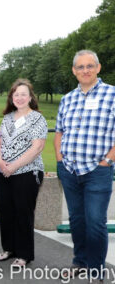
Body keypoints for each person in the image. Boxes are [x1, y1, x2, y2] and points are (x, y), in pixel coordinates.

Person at [55, 50, 115, 282]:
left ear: (98, 68)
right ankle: (79, 261)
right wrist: (60, 159)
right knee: (77, 221)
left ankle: (96, 269)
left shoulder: (111, 94)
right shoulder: (68, 98)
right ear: (74, 71)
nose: (85, 70)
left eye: (90, 66)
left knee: (95, 222)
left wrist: (107, 161)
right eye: (80, 67)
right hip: (69, 170)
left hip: (97, 171)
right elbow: (59, 131)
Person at [0, 78, 47, 267]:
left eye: (23, 94)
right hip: (5, 172)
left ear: (31, 97)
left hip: (26, 172)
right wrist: (0, 161)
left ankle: (24, 255)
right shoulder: (8, 117)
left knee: (23, 213)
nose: (19, 97)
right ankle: (9, 248)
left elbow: (37, 148)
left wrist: (14, 166)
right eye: (16, 94)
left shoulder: (37, 119)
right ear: (11, 98)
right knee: (6, 211)